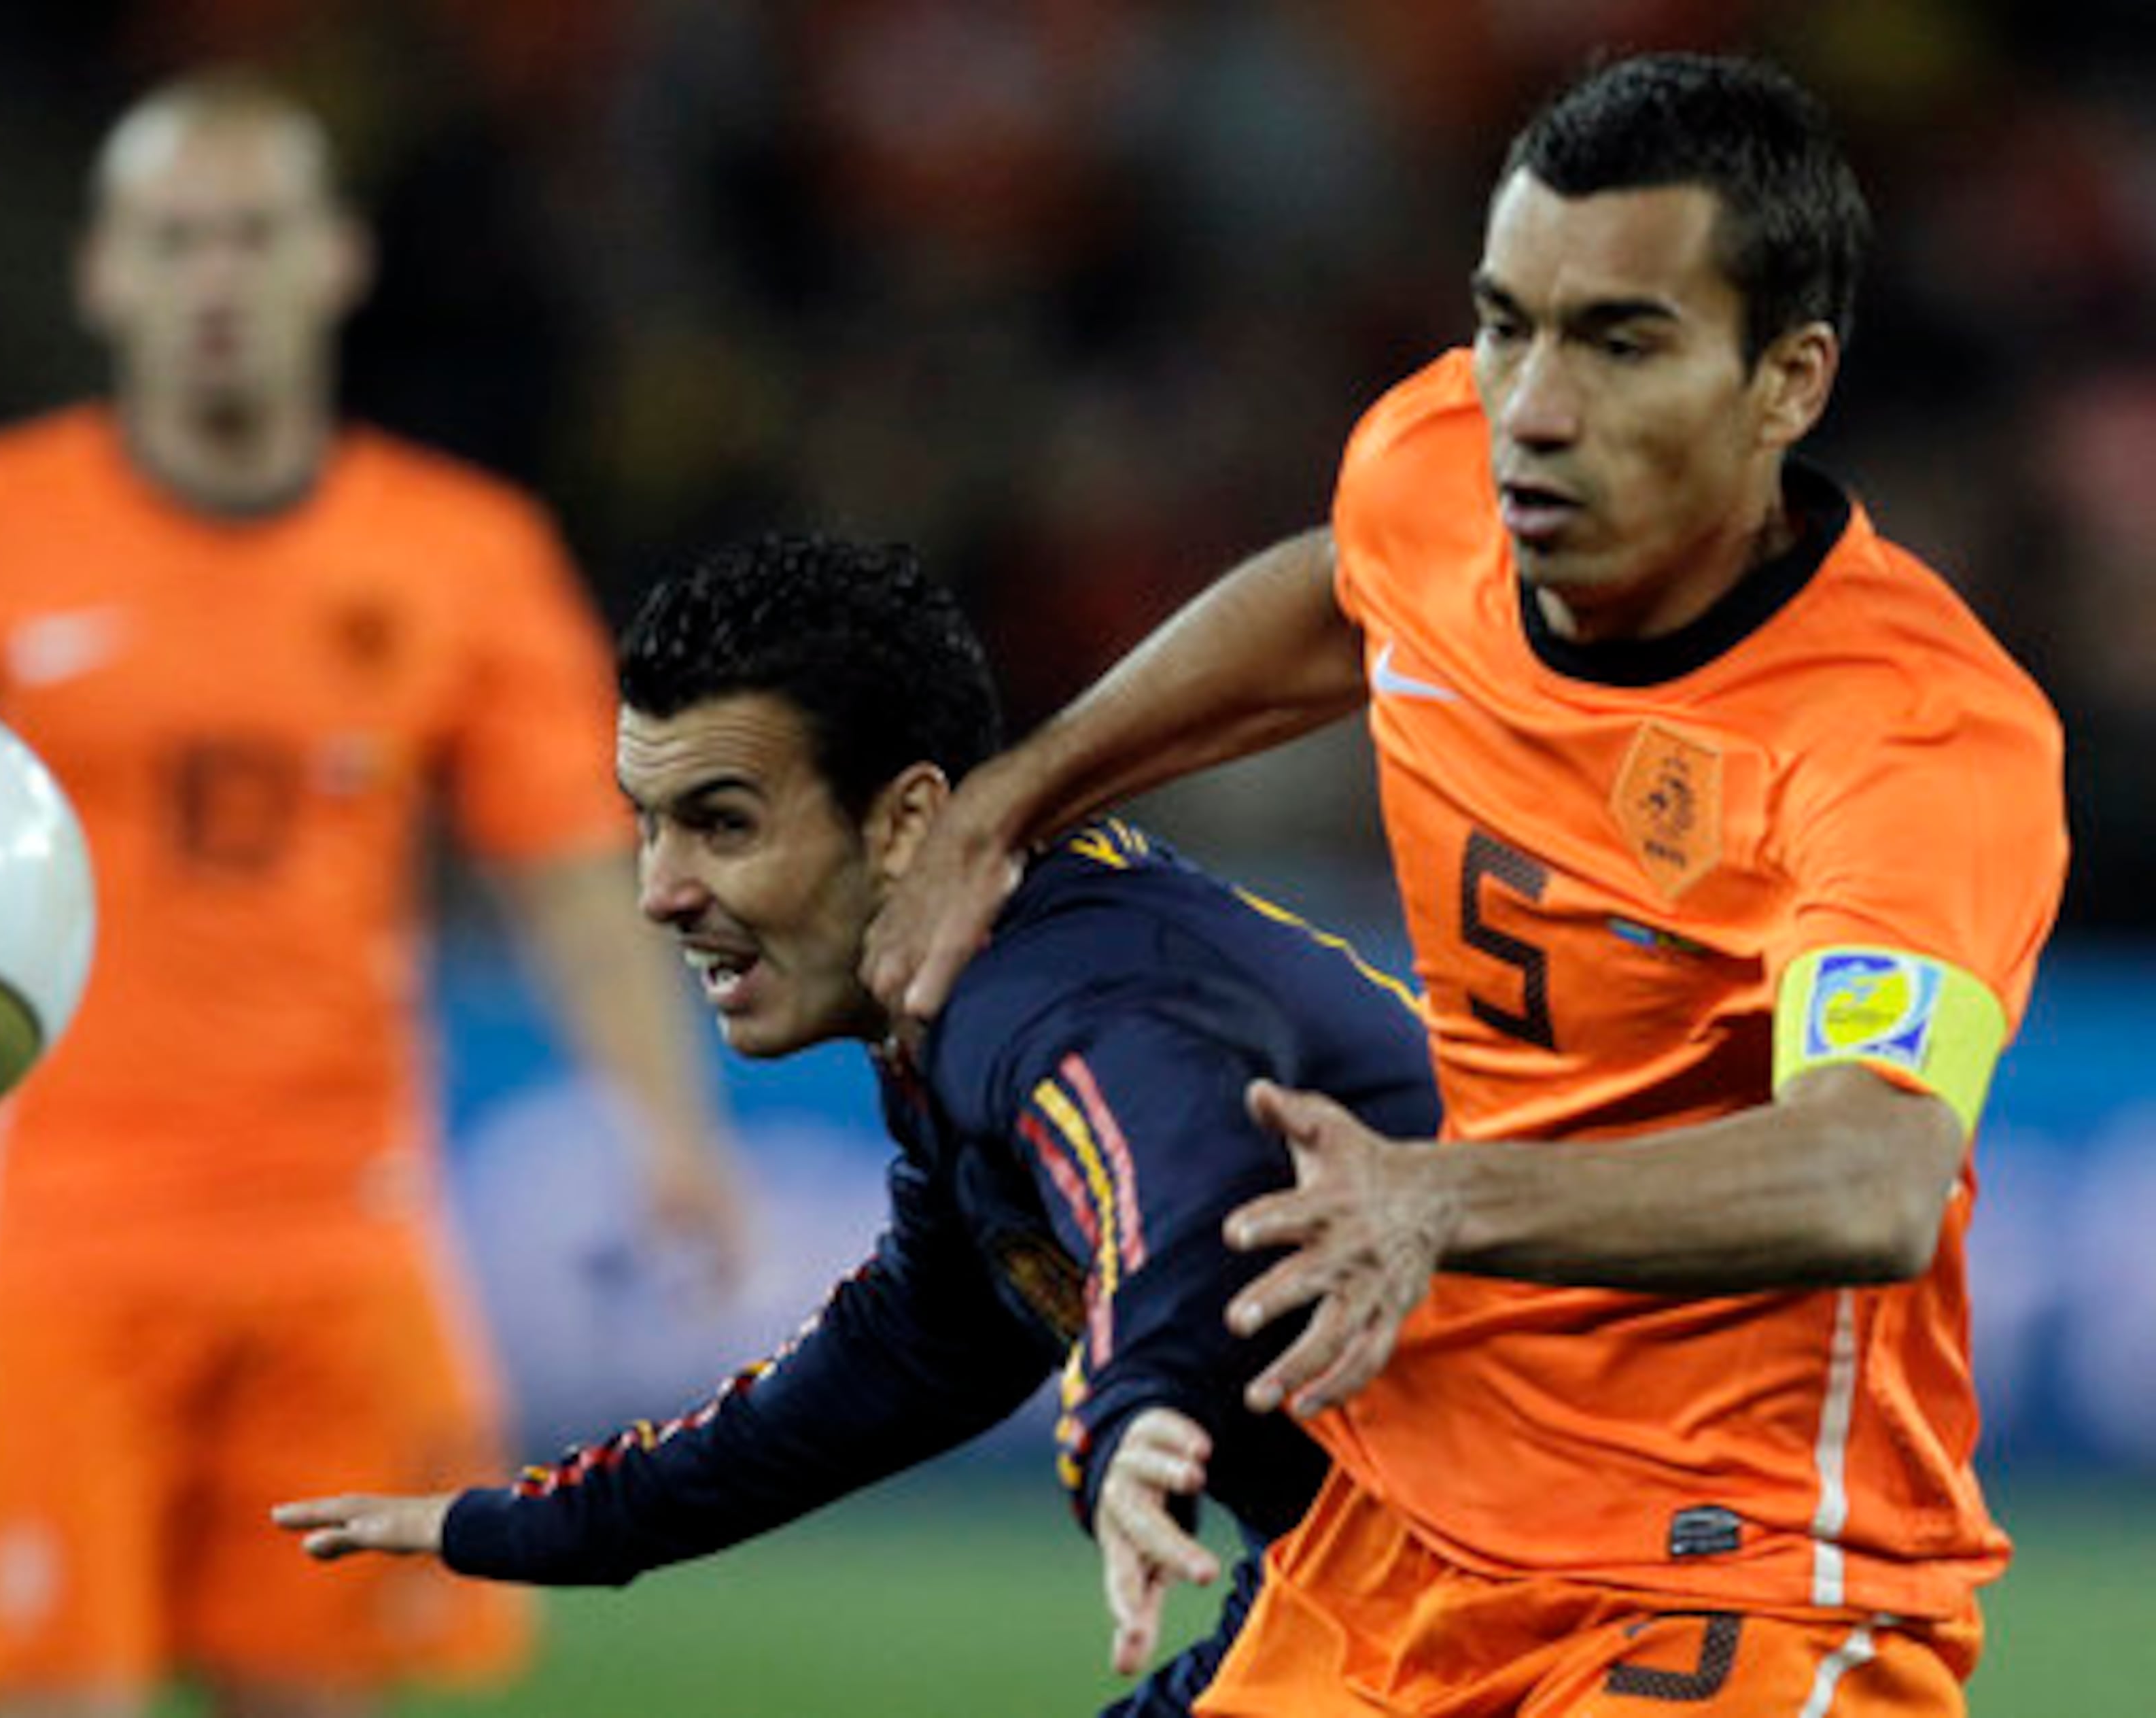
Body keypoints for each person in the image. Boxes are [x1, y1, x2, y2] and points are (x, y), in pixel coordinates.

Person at [863, 52, 2067, 1718]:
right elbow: (1346, 595)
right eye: (1509, 322)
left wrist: (1442, 1196)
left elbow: (1874, 1167)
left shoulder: (1910, 737)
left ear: (1787, 381)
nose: (1531, 405)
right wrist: (1014, 794)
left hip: (1739, 1574)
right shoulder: (1444, 466)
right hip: (1402, 1530)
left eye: (1622, 340)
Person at [0, 69, 746, 1718]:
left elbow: (574, 876)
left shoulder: (463, 556)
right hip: (60, 1241)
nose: (217, 278)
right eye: (174, 240)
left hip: (341, 1240)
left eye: (254, 235)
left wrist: (671, 1128)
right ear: (104, 275)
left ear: (336, 261)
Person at [271, 532, 1440, 1715]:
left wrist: (1138, 1400)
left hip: (1543, 1566)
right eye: (648, 821)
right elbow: (893, 1364)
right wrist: (525, 1523)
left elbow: (1175, 1168)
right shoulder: (976, 1015)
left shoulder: (1043, 994)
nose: (660, 890)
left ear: (902, 823)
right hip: (1388, 1575)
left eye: (722, 824)